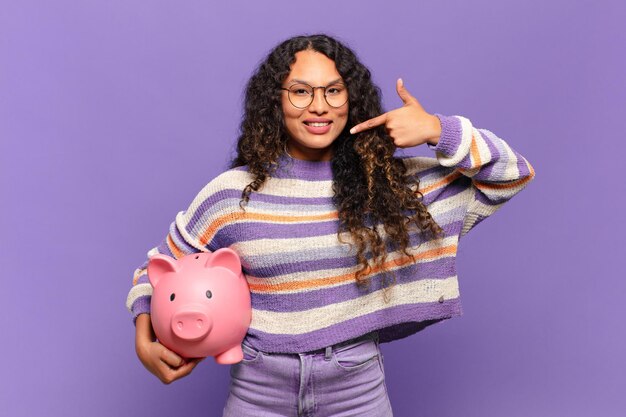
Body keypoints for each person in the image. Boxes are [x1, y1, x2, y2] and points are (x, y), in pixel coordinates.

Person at [126, 34, 534, 416]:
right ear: (275, 102)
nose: (319, 106)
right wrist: (145, 339)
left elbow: (513, 174)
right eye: (301, 91)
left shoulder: (389, 186)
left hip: (356, 390)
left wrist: (438, 130)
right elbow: (159, 267)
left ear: (350, 99)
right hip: (257, 389)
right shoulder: (233, 192)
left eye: (332, 90)